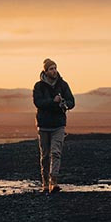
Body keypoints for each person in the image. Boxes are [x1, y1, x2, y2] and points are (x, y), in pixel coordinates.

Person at [33, 58, 75, 193]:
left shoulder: (63, 85)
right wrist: (53, 101)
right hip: (44, 125)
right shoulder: (38, 86)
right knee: (45, 155)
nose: (54, 71)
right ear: (45, 71)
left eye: (55, 68)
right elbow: (38, 102)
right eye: (51, 68)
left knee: (56, 153)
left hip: (58, 125)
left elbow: (72, 101)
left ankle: (54, 181)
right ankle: (45, 183)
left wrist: (64, 104)